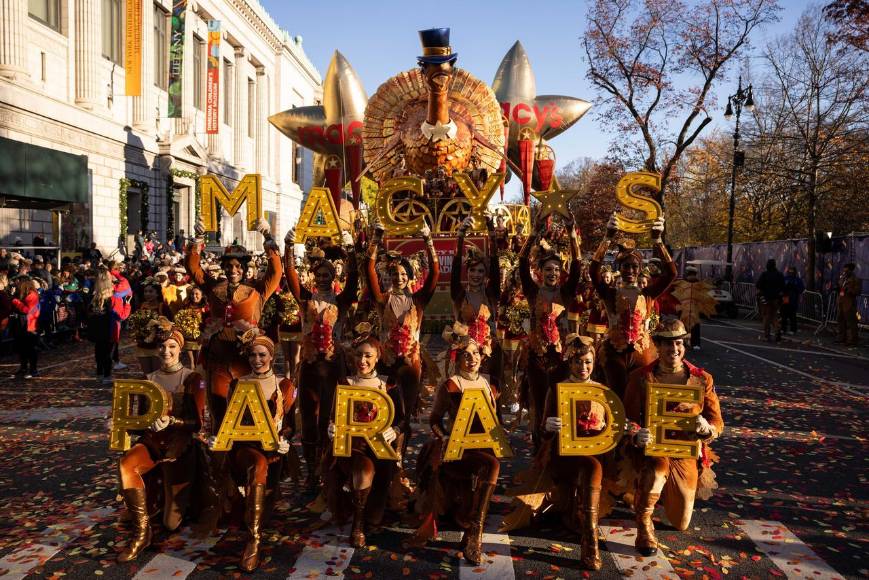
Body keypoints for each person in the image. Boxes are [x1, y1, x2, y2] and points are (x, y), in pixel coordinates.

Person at [502, 334, 608, 570]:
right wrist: (549, 427)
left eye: (588, 362)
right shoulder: (558, 388)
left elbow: (614, 426)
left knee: (593, 467)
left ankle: (580, 518)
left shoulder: (602, 391)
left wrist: (626, 429)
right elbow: (543, 432)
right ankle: (590, 541)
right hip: (564, 455)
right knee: (592, 468)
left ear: (594, 363)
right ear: (570, 363)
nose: (583, 367)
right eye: (578, 362)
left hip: (593, 453)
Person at [623, 318, 724, 556]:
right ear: (657, 346)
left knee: (681, 523)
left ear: (684, 345)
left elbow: (717, 422)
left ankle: (662, 494)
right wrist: (636, 433)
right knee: (656, 471)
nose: (673, 349)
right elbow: (626, 418)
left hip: (684, 452)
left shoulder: (702, 378)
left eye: (678, 343)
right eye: (667, 344)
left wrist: (705, 428)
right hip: (652, 450)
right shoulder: (641, 377)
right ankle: (644, 526)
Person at [115, 319, 204, 562]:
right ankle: (142, 532)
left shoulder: (192, 378)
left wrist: (173, 422)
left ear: (181, 349)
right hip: (152, 443)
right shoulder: (149, 377)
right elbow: (138, 420)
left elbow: (197, 424)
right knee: (126, 463)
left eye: (172, 346)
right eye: (163, 346)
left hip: (179, 447)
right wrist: (120, 422)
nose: (166, 351)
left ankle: (173, 500)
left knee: (171, 523)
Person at [412, 329, 500, 565]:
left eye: (475, 353)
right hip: (457, 449)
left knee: (492, 463)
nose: (472, 359)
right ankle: (475, 531)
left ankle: (474, 530)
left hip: (481, 447)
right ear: (457, 359)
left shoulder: (487, 384)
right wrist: (447, 437)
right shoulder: (451, 385)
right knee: (491, 465)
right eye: (466, 356)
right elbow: (434, 421)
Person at [208, 332, 294, 572]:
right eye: (252, 355)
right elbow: (228, 419)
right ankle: (254, 541)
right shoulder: (238, 383)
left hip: (272, 451)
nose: (257, 359)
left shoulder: (284, 385)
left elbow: (290, 425)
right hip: (245, 448)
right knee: (257, 466)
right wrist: (218, 439)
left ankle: (257, 517)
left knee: (262, 510)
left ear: (271, 356)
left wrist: (285, 439)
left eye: (262, 355)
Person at [284, 228, 358, 487]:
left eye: (328, 275)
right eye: (320, 275)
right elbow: (290, 276)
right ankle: (312, 471)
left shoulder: (342, 300)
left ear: (333, 277)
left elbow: (355, 280)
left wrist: (350, 251)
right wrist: (288, 247)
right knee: (308, 417)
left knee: (330, 416)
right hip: (310, 365)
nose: (324, 279)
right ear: (314, 278)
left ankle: (329, 467)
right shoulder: (305, 299)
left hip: (334, 365)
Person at [324, 326, 404, 548]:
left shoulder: (389, 384)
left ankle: (369, 509)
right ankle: (356, 525)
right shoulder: (344, 383)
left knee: (376, 516)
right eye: (358, 355)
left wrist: (395, 430)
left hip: (380, 447)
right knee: (363, 470)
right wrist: (331, 428)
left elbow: (403, 419)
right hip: (353, 446)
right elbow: (333, 416)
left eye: (368, 355)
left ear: (377, 358)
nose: (362, 360)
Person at [366, 222, 439, 448]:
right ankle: (384, 458)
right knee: (385, 413)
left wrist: (429, 241)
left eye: (403, 274)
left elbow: (435, 274)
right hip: (386, 365)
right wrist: (376, 239)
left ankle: (400, 461)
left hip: (411, 366)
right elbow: (368, 271)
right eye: (394, 274)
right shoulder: (382, 300)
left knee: (405, 416)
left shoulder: (418, 301)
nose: (398, 278)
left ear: (410, 277)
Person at [590, 214, 675, 400]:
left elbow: (671, 273)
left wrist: (658, 240)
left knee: (641, 397)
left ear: (639, 269)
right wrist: (607, 238)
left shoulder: (648, 294)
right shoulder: (610, 293)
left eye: (634, 267)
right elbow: (593, 271)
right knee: (616, 396)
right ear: (619, 267)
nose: (630, 271)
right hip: (614, 352)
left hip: (642, 352)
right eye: (626, 266)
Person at [517, 215, 582, 447]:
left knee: (559, 405)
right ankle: (538, 451)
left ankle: (559, 448)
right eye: (548, 269)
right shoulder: (532, 293)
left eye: (556, 269)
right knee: (537, 403)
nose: (552, 273)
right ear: (540, 272)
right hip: (536, 358)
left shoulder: (565, 294)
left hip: (561, 358)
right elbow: (521, 263)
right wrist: (533, 234)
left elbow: (577, 267)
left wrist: (572, 234)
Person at [451, 215, 500, 385]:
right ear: (468, 272)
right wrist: (461, 236)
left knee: (490, 397)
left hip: (488, 354)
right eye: (473, 270)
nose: (476, 275)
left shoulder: (491, 295)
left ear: (485, 275)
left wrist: (491, 231)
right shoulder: (458, 295)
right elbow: (456, 265)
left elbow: (495, 264)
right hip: (465, 355)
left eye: (480, 271)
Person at [87, 268, 116, 383]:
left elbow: (89, 312)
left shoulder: (95, 296)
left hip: (97, 327)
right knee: (106, 352)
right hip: (106, 328)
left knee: (99, 350)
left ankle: (100, 373)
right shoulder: (110, 297)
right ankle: (106, 375)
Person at [9, 276, 41, 379]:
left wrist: (15, 301)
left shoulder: (32, 295)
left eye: (18, 283)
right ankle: (23, 367)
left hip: (29, 323)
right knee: (21, 347)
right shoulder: (20, 294)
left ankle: (33, 369)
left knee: (30, 347)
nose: (16, 285)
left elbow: (28, 311)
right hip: (19, 322)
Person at [756, 259, 785, 342]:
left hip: (766, 298)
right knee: (774, 316)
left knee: (766, 317)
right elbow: (783, 286)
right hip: (776, 298)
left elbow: (758, 285)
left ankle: (767, 335)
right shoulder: (779, 275)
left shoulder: (765, 274)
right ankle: (777, 330)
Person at [836, 263, 860, 346]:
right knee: (840, 320)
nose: (845, 271)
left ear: (850, 270)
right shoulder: (843, 278)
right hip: (841, 301)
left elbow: (857, 291)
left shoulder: (855, 279)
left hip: (849, 303)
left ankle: (852, 340)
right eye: (844, 269)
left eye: (846, 269)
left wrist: (849, 290)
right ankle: (841, 338)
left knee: (851, 322)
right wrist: (838, 288)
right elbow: (840, 286)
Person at [781, 266, 805, 335]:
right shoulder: (785, 278)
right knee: (784, 315)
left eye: (792, 271)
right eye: (790, 271)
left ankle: (793, 329)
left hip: (793, 300)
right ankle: (783, 329)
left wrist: (795, 288)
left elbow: (801, 289)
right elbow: (781, 287)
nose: (791, 272)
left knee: (792, 315)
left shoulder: (797, 280)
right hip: (785, 299)